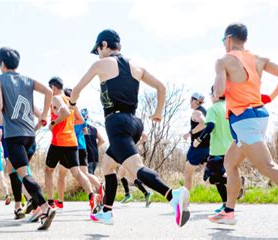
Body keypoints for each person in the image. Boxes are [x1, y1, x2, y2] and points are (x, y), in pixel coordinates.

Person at [70, 29, 190, 227]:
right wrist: (158, 112)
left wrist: (73, 104)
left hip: (117, 124)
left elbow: (75, 91)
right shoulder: (136, 66)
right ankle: (106, 212)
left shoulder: (101, 63)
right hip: (134, 123)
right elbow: (161, 87)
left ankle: (173, 195)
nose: (98, 53)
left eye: (98, 49)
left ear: (104, 45)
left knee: (136, 168)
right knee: (108, 166)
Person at [209, 23, 278, 225]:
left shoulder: (223, 61)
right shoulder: (259, 59)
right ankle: (228, 212)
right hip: (259, 114)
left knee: (268, 166)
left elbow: (218, 92)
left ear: (228, 39)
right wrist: (269, 97)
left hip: (243, 118)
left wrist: (221, 78)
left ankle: (228, 211)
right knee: (230, 162)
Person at [0, 47, 56, 230]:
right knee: (24, 172)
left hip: (14, 136)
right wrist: (43, 115)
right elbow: (49, 92)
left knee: (23, 174)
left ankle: (45, 207)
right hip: (30, 136)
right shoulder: (28, 80)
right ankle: (36, 207)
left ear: (2, 64)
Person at [52, 88, 102, 211]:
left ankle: (61, 201)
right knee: (72, 173)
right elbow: (85, 130)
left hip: (70, 146)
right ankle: (60, 201)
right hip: (80, 146)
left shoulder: (67, 112)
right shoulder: (78, 112)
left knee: (64, 174)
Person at [182, 93, 210, 191]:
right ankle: (229, 180)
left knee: (187, 173)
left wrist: (189, 133)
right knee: (214, 174)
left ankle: (186, 201)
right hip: (208, 147)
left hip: (198, 147)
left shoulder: (196, 112)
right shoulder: (205, 111)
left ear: (195, 101)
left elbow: (204, 123)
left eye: (190, 100)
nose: (189, 103)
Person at [118, 133, 153, 207]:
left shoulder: (132, 129)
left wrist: (136, 145)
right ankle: (146, 193)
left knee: (123, 174)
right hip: (129, 154)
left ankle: (128, 195)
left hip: (130, 154)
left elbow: (145, 136)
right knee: (128, 176)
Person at [81, 109, 105, 175]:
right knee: (91, 175)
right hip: (95, 155)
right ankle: (98, 185)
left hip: (86, 155)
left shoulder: (80, 129)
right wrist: (95, 147)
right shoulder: (94, 129)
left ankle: (98, 185)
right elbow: (102, 140)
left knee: (88, 177)